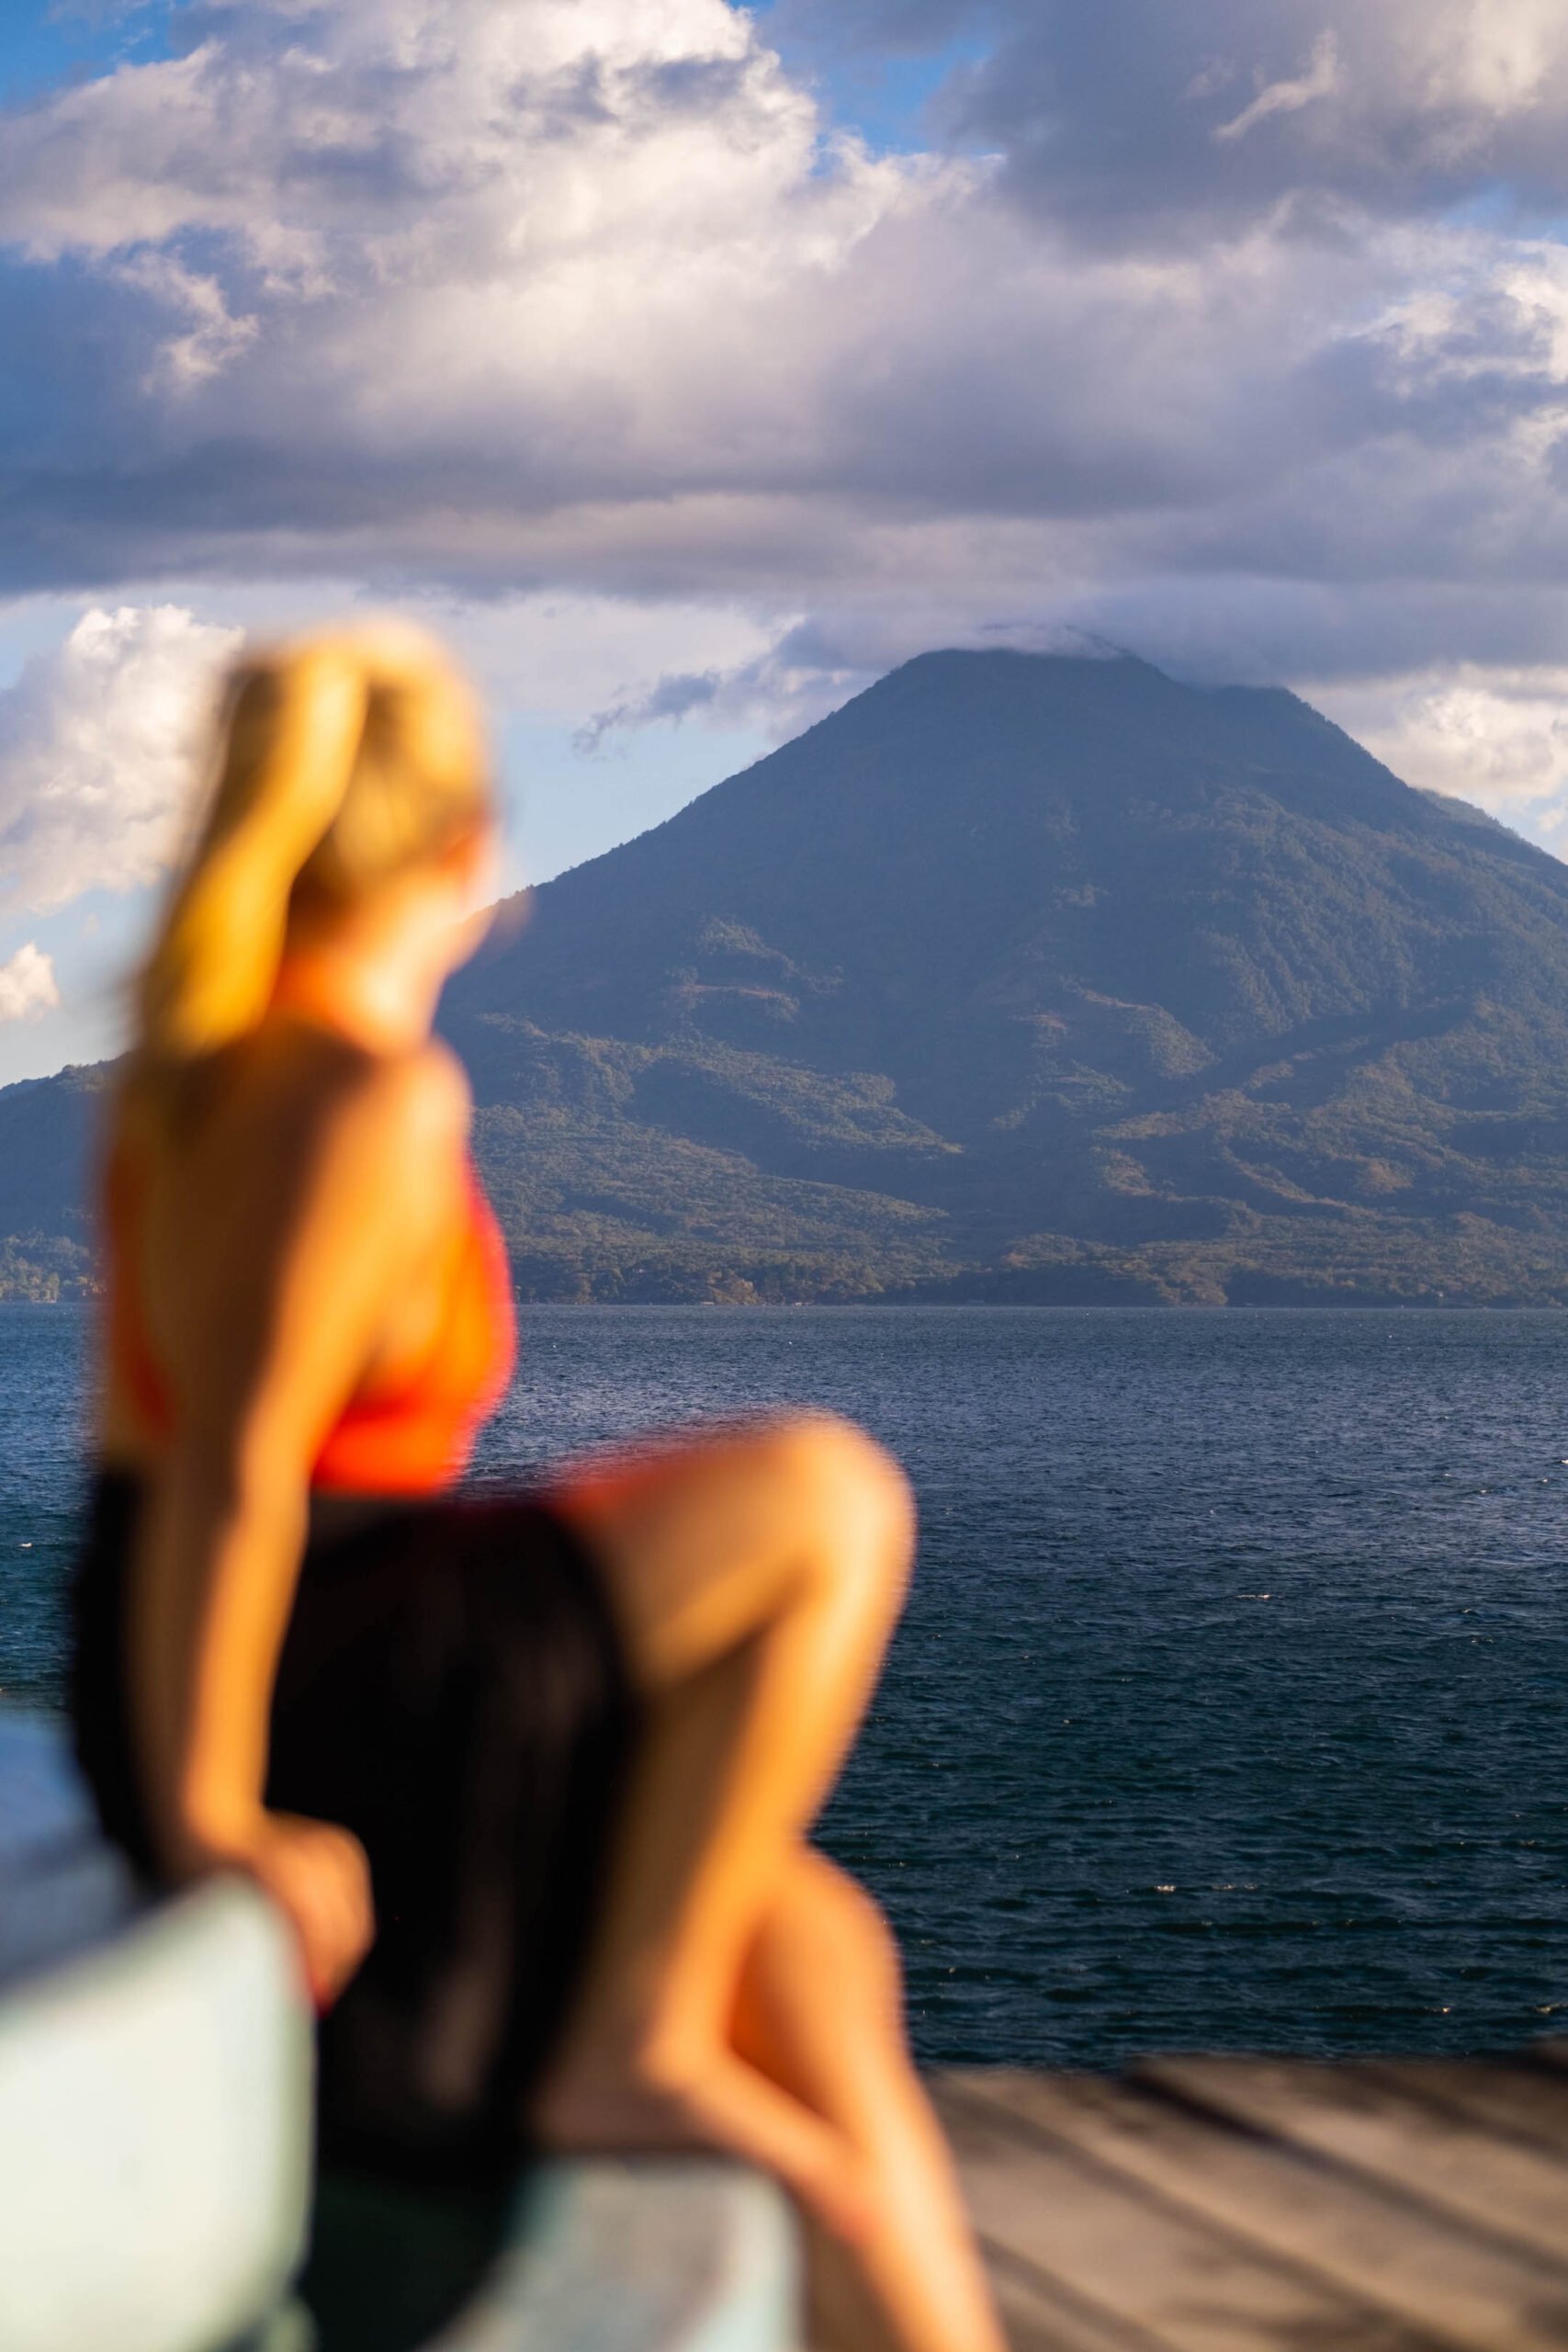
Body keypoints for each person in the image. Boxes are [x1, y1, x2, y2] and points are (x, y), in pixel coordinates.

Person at [69, 623, 1005, 2352]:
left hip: (249, 1666)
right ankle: (622, 2043)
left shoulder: (189, 1084)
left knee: (811, 1952)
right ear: (464, 853)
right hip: (307, 1689)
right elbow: (231, 1472)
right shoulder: (359, 1093)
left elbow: (178, 1479)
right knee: (830, 1494)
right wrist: (214, 1828)